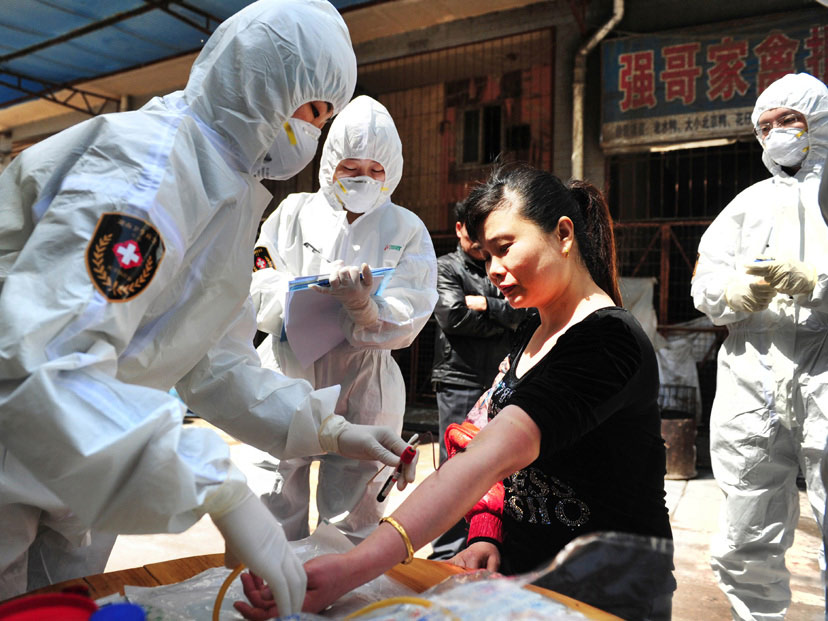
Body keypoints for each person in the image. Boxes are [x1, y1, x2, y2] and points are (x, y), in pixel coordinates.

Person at [0, 2, 417, 618]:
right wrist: (216, 485)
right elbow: (43, 359)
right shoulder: (144, 169)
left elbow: (209, 360)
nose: (316, 132)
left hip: (94, 428)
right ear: (266, 83)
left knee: (60, 603)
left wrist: (331, 430)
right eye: (315, 110)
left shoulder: (231, 195)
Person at [236, 164, 676, 621]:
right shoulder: (535, 326)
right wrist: (487, 531)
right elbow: (484, 434)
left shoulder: (606, 341)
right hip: (527, 584)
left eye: (505, 248)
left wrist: (354, 566)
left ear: (564, 234)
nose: (496, 271)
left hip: (605, 595)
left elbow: (487, 457)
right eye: (486, 256)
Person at [250, 95, 438, 543]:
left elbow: (413, 309)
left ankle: (333, 601)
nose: (364, 180)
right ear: (330, 163)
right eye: (351, 168)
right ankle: (269, 600)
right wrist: (300, 295)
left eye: (376, 170)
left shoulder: (406, 228)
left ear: (391, 172)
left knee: (352, 519)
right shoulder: (293, 213)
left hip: (365, 383)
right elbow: (257, 279)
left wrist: (364, 308)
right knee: (270, 506)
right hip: (288, 370)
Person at [691, 72, 828, 621]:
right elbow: (705, 285)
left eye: (787, 121)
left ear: (817, 120)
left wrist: (817, 284)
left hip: (824, 370)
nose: (775, 135)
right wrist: (732, 294)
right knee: (745, 536)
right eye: (764, 126)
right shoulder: (744, 206)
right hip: (751, 379)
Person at [428, 199, 527, 559]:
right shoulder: (445, 267)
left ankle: (482, 544)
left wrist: (486, 305)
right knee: (456, 464)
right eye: (473, 233)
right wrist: (503, 316)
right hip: (459, 377)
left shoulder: (497, 268)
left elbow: (523, 313)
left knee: (499, 466)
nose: (481, 243)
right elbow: (453, 317)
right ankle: (446, 551)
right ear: (458, 230)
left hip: (498, 379)